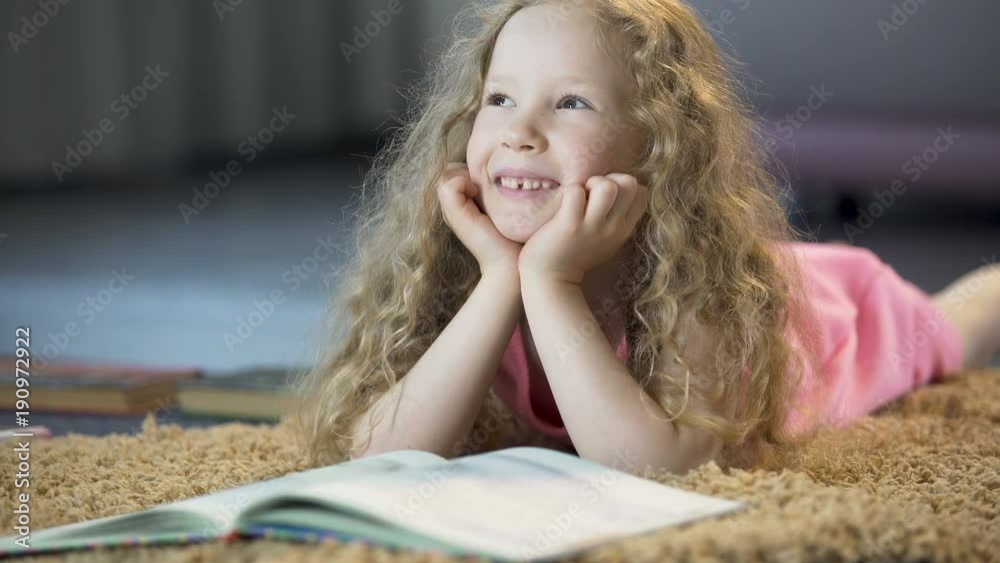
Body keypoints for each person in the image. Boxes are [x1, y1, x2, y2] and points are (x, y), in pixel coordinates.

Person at [292, 0, 1000, 475]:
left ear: (657, 147)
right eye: (499, 98)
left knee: (955, 327)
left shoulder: (702, 286)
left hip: (830, 311)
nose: (519, 131)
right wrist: (505, 280)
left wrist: (550, 282)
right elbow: (377, 455)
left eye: (571, 102)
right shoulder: (469, 272)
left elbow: (655, 470)